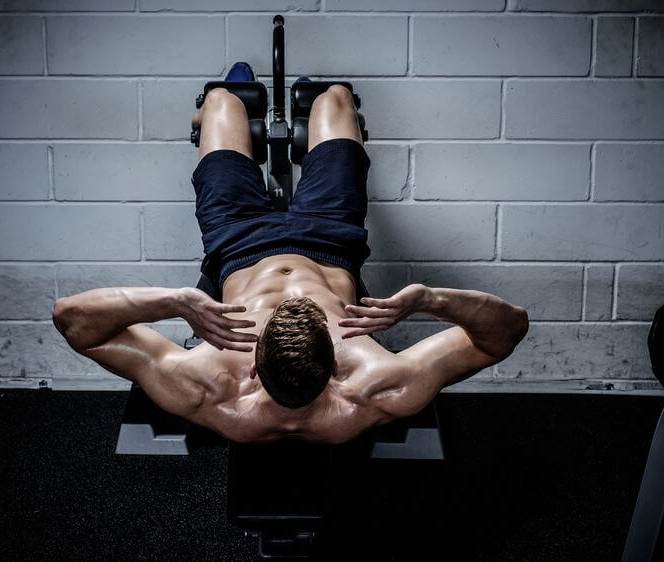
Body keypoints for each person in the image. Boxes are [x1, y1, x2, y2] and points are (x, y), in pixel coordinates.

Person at [53, 62, 529, 444]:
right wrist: (428, 299)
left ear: (253, 363)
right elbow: (506, 331)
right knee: (336, 97)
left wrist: (177, 301)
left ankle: (225, 107)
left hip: (237, 242)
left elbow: (73, 320)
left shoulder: (210, 388)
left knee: (223, 100)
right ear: (335, 363)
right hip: (330, 241)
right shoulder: (372, 387)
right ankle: (315, 101)